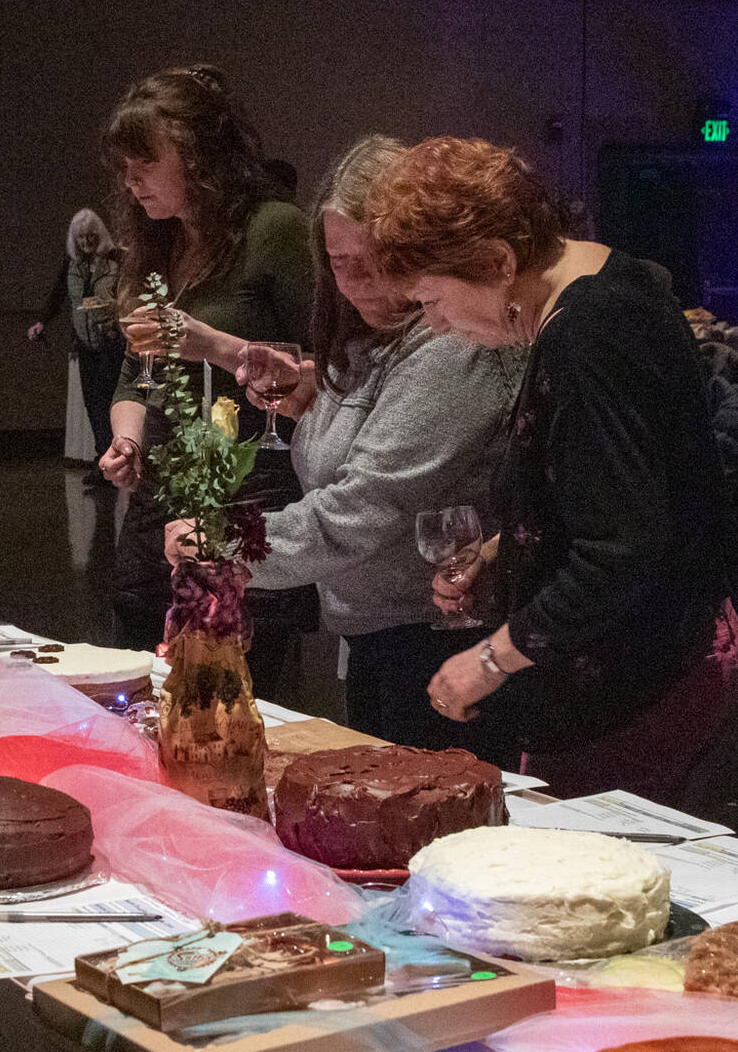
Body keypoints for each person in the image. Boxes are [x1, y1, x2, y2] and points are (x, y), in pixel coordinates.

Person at [367, 137, 738, 800]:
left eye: (432, 300)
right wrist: (498, 552)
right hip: (671, 644)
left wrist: (489, 660)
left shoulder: (585, 335)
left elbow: (622, 549)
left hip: (638, 673)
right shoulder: (613, 277)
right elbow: (609, 488)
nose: (437, 324)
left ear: (498, 260)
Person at [163, 136, 523, 758]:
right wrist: (311, 398)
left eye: (374, 262)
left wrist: (226, 541)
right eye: (338, 262)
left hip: (440, 638)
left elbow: (363, 507)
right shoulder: (371, 341)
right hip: (379, 632)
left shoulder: (453, 344)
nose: (355, 283)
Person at [96, 64, 317, 699]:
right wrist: (127, 440)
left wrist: (212, 344)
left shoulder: (274, 229)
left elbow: (327, 371)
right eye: (125, 167)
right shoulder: (160, 242)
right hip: (160, 498)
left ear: (197, 156)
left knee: (233, 700)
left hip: (246, 495)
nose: (131, 181)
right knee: (141, 690)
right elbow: (135, 374)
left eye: (145, 163)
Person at [27, 207, 125, 473]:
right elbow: (59, 293)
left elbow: (126, 293)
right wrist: (42, 321)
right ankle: (102, 458)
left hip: (110, 340)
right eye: (81, 238)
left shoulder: (115, 259)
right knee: (92, 402)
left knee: (109, 399)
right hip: (84, 342)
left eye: (91, 236)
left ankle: (115, 457)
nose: (86, 242)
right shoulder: (73, 264)